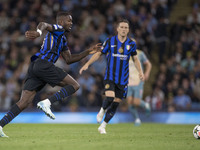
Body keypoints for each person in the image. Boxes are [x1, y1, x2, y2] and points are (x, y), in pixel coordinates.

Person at [0, 12, 101, 137]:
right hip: (44, 65)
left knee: (24, 102)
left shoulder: (62, 38)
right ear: (61, 22)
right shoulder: (58, 29)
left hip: (35, 66)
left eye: (71, 21)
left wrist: (88, 51)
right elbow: (43, 24)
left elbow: (69, 59)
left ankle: (0, 124)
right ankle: (47, 102)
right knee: (75, 85)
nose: (71, 23)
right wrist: (38, 32)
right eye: (69, 21)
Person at [79, 19, 144, 134]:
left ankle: (103, 126)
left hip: (123, 79)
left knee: (115, 103)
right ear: (117, 29)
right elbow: (99, 53)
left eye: (126, 28)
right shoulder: (110, 41)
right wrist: (87, 64)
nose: (124, 29)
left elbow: (135, 59)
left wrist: (140, 72)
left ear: (128, 30)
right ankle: (102, 110)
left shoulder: (131, 44)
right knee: (109, 98)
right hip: (110, 76)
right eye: (122, 27)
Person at [127, 45, 152, 126]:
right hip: (128, 81)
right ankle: (137, 119)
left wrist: (147, 73)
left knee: (136, 102)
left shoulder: (140, 53)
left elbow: (148, 64)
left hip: (138, 80)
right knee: (130, 102)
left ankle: (146, 105)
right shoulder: (124, 53)